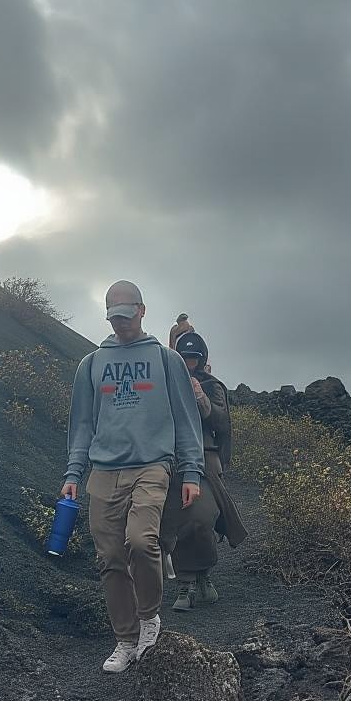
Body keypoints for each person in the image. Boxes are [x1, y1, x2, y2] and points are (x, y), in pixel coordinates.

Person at [61, 281, 204, 673]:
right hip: (103, 470)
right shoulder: (91, 364)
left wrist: (191, 471)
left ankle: (148, 618)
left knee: (141, 542)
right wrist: (73, 472)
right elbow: (82, 425)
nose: (120, 324)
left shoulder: (165, 359)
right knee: (109, 557)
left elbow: (186, 420)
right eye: (113, 318)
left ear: (141, 311)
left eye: (126, 316)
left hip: (151, 465)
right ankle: (124, 639)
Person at [161, 331, 248, 611]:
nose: (188, 363)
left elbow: (222, 424)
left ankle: (201, 575)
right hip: (170, 459)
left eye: (193, 358)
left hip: (204, 461)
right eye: (184, 358)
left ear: (202, 359)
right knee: (175, 518)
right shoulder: (166, 383)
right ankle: (187, 582)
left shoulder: (212, 386)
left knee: (201, 516)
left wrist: (200, 397)